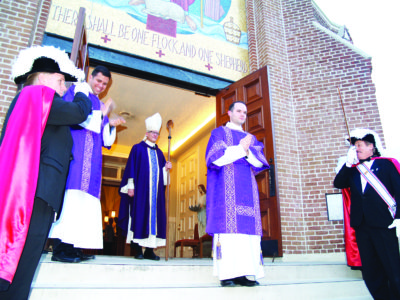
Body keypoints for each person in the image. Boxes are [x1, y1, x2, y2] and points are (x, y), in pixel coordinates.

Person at [0, 45, 92, 300]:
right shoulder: (37, 95)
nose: (64, 89)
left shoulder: (37, 103)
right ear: (42, 78)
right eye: (61, 81)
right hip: (34, 193)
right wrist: (84, 92)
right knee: (22, 263)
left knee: (24, 264)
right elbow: (79, 112)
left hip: (36, 193)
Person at [49, 66, 125, 262]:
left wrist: (110, 124)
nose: (101, 86)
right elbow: (75, 117)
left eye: (105, 84)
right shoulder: (77, 91)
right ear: (90, 77)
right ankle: (60, 249)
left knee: (84, 204)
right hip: (76, 157)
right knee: (71, 200)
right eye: (98, 81)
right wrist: (104, 113)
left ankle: (74, 248)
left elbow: (106, 141)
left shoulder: (99, 104)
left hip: (92, 164)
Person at [205, 101, 269, 287]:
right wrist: (240, 149)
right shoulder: (219, 133)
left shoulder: (250, 137)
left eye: (245, 112)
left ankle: (245, 274)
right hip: (225, 191)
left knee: (247, 233)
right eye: (239, 111)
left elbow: (260, 163)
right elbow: (215, 158)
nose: (243, 114)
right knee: (229, 233)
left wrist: (247, 150)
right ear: (229, 112)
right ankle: (227, 275)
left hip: (247, 191)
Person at [334, 128, 400, 299]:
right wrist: (348, 164)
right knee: (371, 270)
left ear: (372, 147)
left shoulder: (386, 164)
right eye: (355, 146)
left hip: (384, 223)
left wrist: (399, 217)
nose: (357, 149)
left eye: (360, 145)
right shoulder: (353, 168)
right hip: (362, 225)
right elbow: (339, 183)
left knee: (392, 267)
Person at [118, 112, 172, 260]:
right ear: (147, 133)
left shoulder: (160, 153)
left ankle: (149, 251)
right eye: (152, 133)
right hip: (140, 191)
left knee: (153, 219)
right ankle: (137, 250)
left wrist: (166, 169)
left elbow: (162, 179)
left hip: (155, 194)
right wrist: (130, 185)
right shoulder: (137, 148)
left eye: (157, 133)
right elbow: (131, 167)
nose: (155, 135)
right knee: (139, 216)